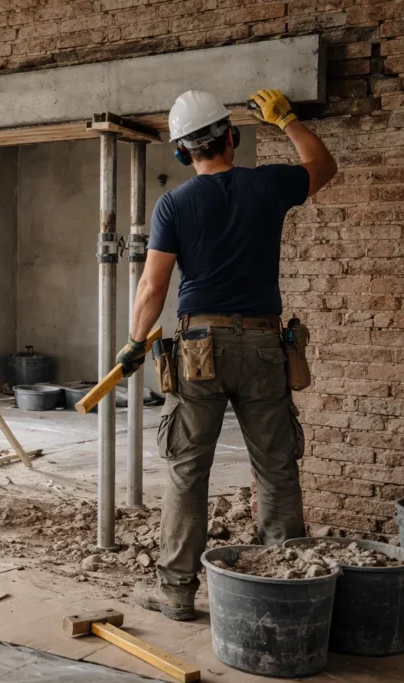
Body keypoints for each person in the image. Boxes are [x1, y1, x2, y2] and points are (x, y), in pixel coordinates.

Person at [115, 89, 338, 620]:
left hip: (198, 350)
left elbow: (153, 285)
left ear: (181, 153)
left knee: (188, 472)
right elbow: (322, 165)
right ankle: (283, 594)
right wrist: (286, 119)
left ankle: (176, 596)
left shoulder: (173, 204)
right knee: (277, 469)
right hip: (264, 346)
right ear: (232, 138)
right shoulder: (268, 184)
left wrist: (134, 342)